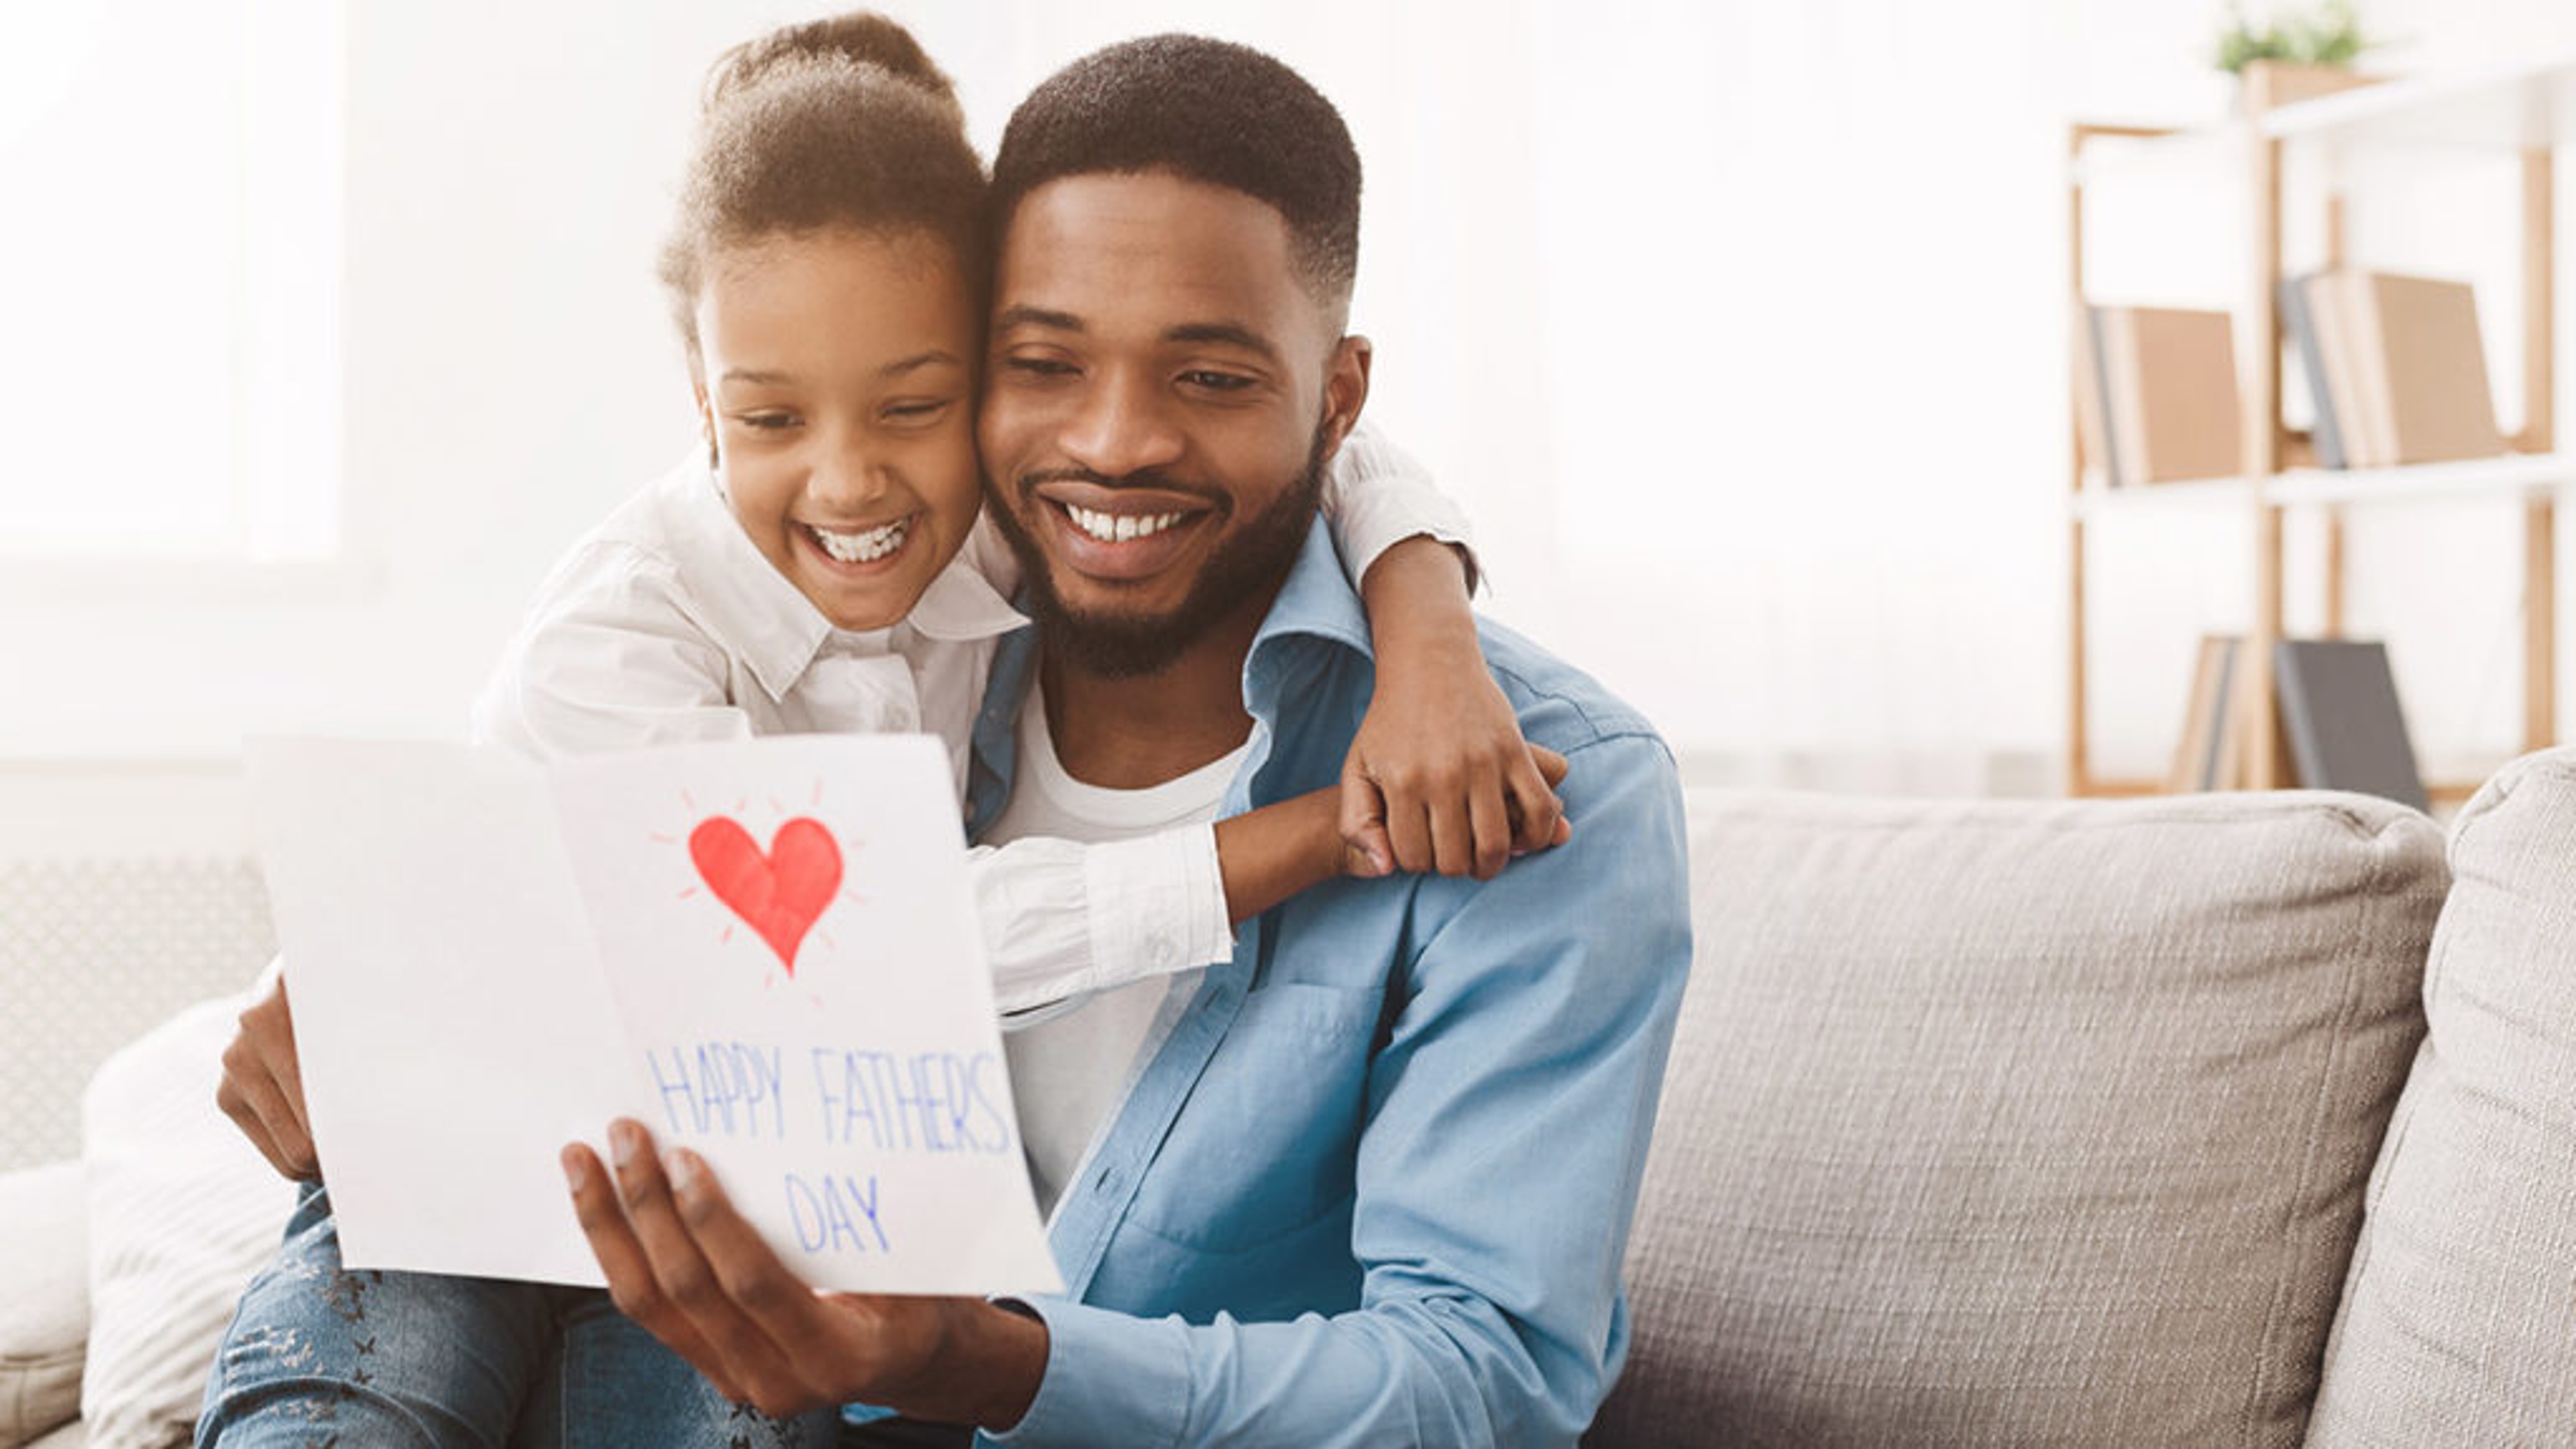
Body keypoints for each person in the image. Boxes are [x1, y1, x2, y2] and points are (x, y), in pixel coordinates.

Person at [199, 17, 1567, 1448]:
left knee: (747, 1407)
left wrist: (1427, 621)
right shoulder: (620, 634)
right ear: (701, 394)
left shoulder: (996, 527)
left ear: (973, 378)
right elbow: (885, 949)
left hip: (738, 1176)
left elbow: (1293, 420)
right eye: (774, 415)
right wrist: (1290, 840)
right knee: (347, 1407)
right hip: (474, 1151)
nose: (852, 480)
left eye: (913, 404)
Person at [562, 32, 1694, 1449]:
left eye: (1211, 380)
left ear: (1338, 397)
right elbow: (594, 784)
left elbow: (1485, 1387)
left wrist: (992, 1368)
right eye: (1044, 364)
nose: (1114, 443)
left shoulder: (1537, 789)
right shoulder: (903, 642)